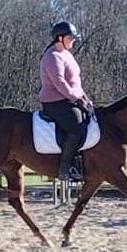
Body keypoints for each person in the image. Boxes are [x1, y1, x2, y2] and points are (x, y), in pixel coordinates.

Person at [39, 21, 93, 181]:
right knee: (76, 126)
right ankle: (65, 168)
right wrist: (77, 98)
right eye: (71, 38)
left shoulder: (66, 54)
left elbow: (75, 81)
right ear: (60, 38)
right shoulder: (52, 57)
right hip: (55, 102)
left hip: (69, 98)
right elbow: (60, 83)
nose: (73, 40)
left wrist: (85, 98)